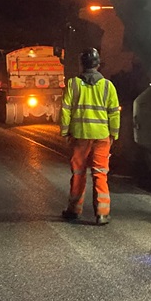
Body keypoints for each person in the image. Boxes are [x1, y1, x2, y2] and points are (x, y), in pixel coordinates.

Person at [60, 48, 121, 225]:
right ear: (98, 64)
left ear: (82, 64)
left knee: (78, 174)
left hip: (80, 136)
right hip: (102, 137)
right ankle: (102, 213)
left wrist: (65, 132)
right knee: (100, 174)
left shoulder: (73, 84)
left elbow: (65, 111)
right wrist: (114, 134)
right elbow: (114, 113)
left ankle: (74, 210)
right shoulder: (108, 86)